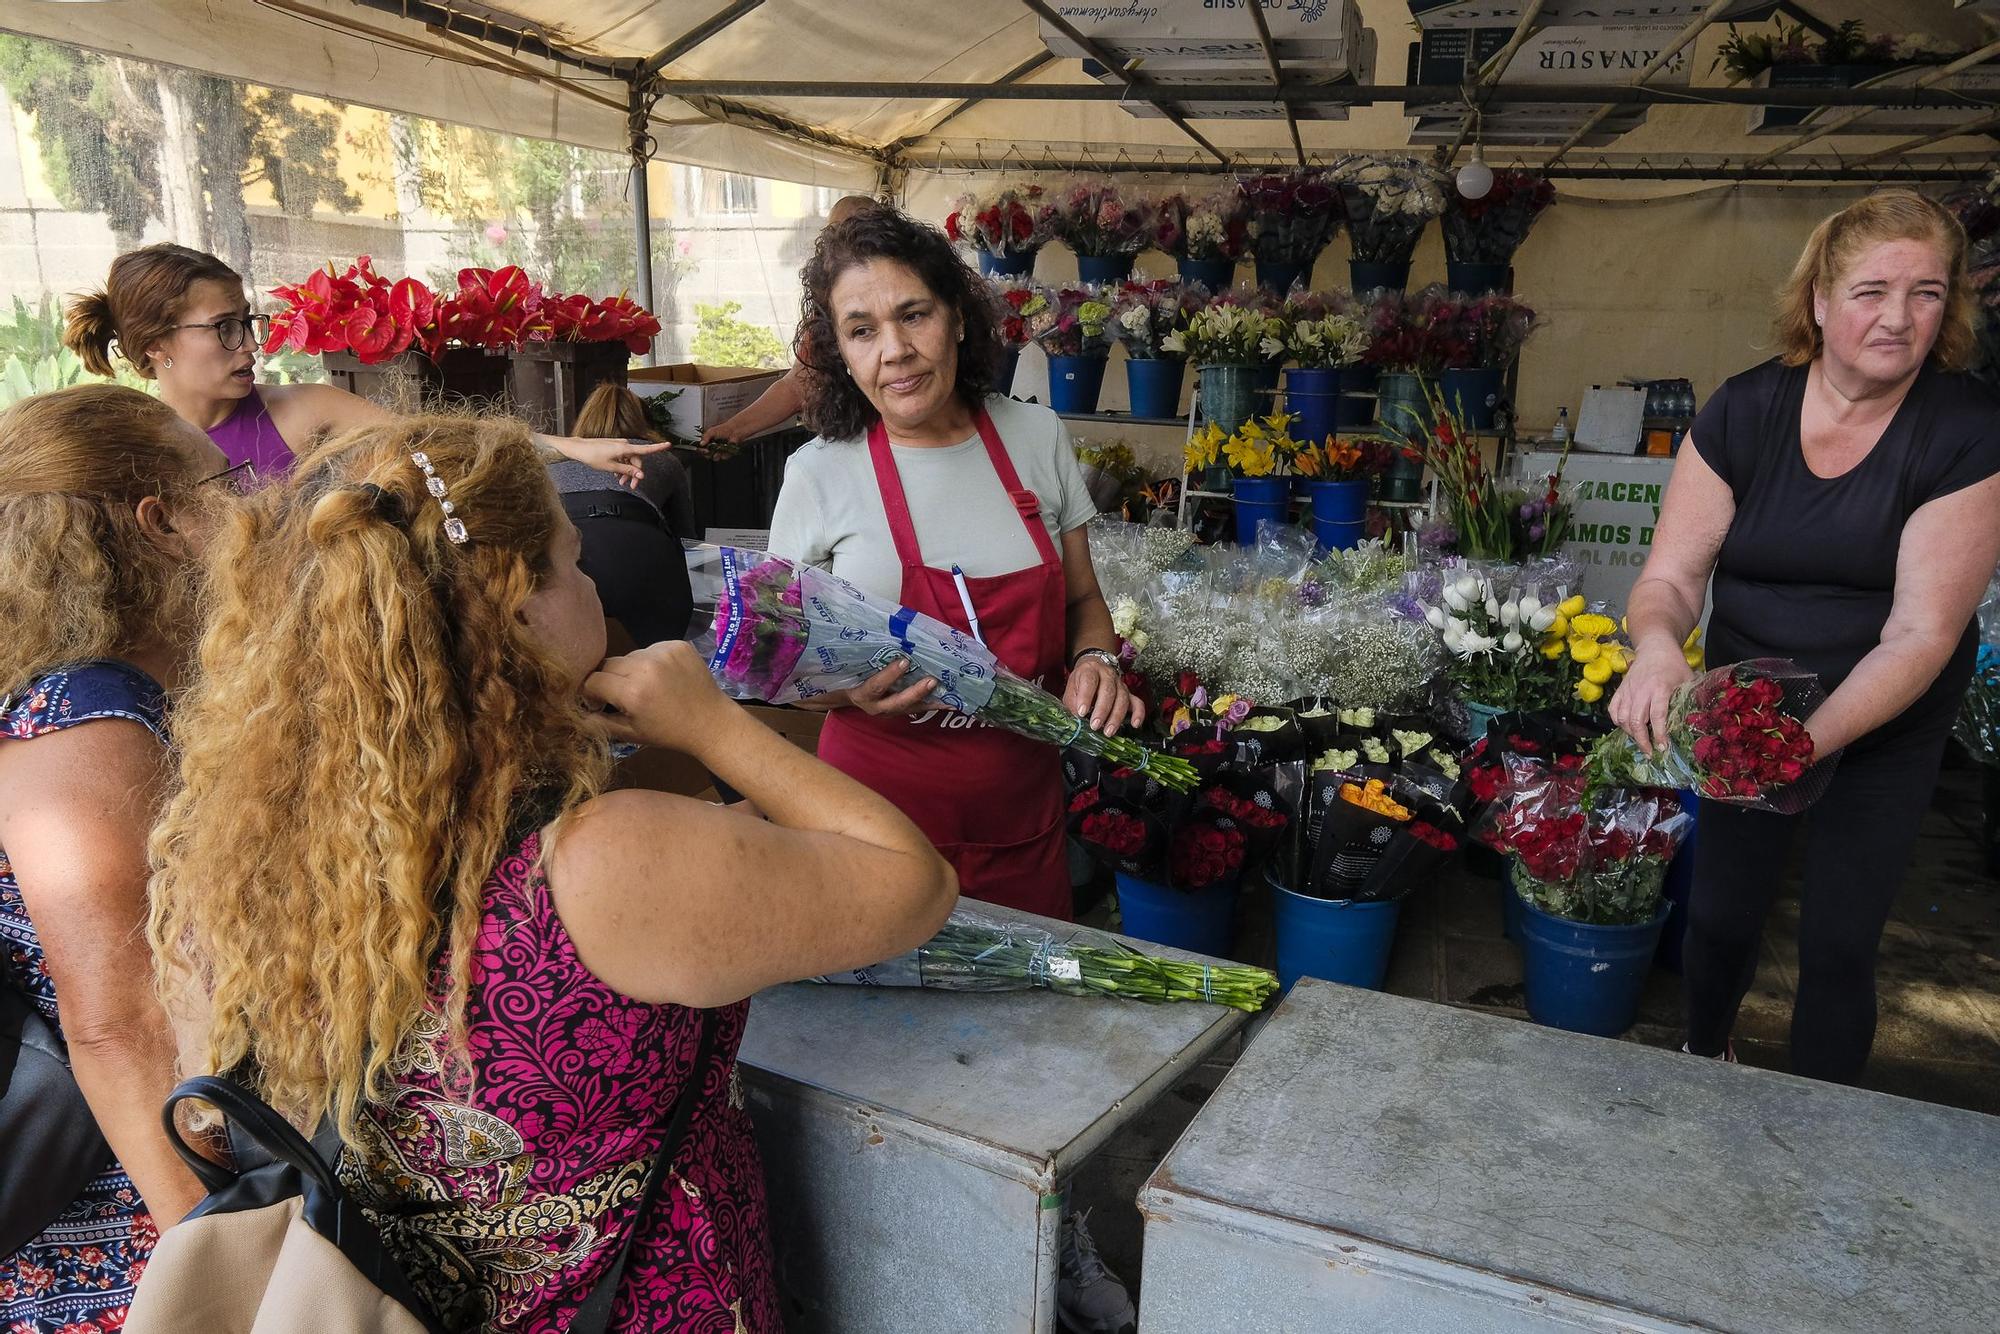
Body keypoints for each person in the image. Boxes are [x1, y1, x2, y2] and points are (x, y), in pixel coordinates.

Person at [145, 413, 956, 1332]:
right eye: (571, 563)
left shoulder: (239, 848)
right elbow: (913, 884)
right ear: (514, 607)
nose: (593, 583)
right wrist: (713, 728)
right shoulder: (600, 862)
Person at [764, 207, 1137, 1333]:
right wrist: (832, 687)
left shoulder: (1032, 438)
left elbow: (1082, 601)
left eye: (913, 314)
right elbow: (770, 655)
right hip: (870, 816)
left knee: (1037, 1056)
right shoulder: (819, 471)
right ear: (834, 347)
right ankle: (894, 1267)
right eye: (861, 327)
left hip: (1021, 816)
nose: (895, 351)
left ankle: (1054, 1240)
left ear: (955, 315)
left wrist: (1095, 657)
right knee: (883, 1061)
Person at [1614, 189, 2000, 1084]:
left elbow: (1920, 633)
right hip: (1747, 709)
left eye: (1927, 293)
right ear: (1819, 299)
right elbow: (1671, 579)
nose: (1898, 319)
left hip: (1882, 725)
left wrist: (1802, 746)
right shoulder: (1745, 412)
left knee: (1837, 943)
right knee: (1718, 918)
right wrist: (1660, 647)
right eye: (1871, 291)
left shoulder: (1967, 433)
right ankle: (1702, 1054)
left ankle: (1823, 1131)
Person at [0, 385, 224, 1329]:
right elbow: (118, 1026)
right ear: (160, 523)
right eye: (226, 482)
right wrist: (217, 1263)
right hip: (117, 1230)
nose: (246, 507)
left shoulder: (96, 694)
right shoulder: (87, 714)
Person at [63, 243, 664, 486]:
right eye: (223, 329)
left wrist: (573, 448)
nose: (250, 344)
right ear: (154, 347)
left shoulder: (302, 411)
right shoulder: (127, 451)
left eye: (246, 322)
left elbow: (437, 435)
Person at [698, 194, 882, 452]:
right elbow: (798, 385)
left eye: (859, 233)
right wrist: (733, 428)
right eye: (836, 235)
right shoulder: (823, 313)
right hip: (851, 447)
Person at [557, 383, 695, 644]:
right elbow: (687, 540)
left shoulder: (555, 458)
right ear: (642, 419)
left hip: (567, 547)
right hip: (637, 544)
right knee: (659, 653)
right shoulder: (662, 458)